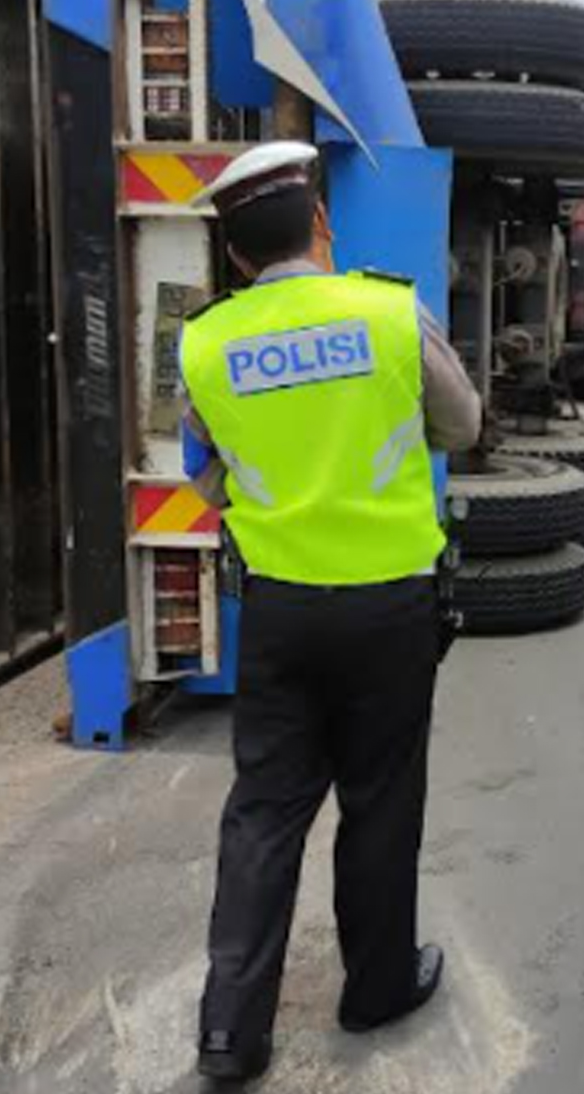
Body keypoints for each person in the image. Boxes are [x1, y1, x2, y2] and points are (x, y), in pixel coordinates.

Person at [178, 141, 483, 1081]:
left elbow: (204, 472)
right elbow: (460, 425)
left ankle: (230, 1032)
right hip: (391, 605)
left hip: (279, 610)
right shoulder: (389, 312)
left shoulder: (204, 341)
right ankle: (377, 986)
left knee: (264, 812)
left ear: (232, 256)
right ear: (320, 222)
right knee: (381, 802)